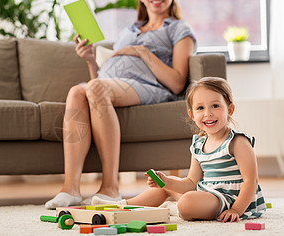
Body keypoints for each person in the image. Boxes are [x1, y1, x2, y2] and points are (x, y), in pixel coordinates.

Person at [44, 0, 197, 209]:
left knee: (95, 89)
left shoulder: (179, 29)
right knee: (77, 91)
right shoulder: (130, 30)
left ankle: (111, 187)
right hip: (108, 84)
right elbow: (99, 79)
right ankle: (71, 188)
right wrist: (90, 60)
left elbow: (178, 81)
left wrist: (142, 52)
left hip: (149, 86)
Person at [92, 77, 266, 222]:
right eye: (200, 108)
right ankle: (122, 206)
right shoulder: (198, 144)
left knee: (187, 202)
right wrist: (166, 182)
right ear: (192, 114)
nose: (208, 114)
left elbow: (251, 181)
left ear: (230, 110)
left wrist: (236, 210)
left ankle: (176, 208)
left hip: (230, 199)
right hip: (206, 194)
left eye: (215, 106)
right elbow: (191, 182)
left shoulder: (237, 142)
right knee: (165, 186)